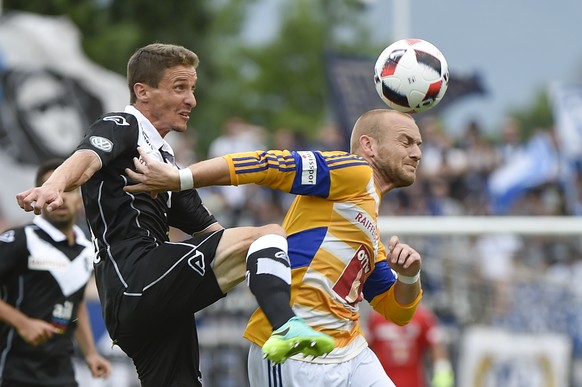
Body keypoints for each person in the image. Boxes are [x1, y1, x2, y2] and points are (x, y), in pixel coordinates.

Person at [15, 43, 334, 387]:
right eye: (180, 87)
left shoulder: (166, 168)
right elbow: (87, 157)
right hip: (135, 280)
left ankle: (287, 320)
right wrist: (55, 185)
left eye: (192, 89)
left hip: (149, 305)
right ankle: (286, 325)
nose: (191, 101)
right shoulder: (123, 125)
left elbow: (218, 236)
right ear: (143, 92)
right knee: (267, 232)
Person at [122, 108, 424, 386]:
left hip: (351, 352)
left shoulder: (369, 224)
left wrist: (410, 275)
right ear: (369, 146)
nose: (417, 153)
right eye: (406, 142)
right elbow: (269, 164)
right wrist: (181, 178)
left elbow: (396, 310)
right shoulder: (354, 171)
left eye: (419, 144)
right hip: (297, 352)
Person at [0, 158, 112, 386]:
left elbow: (75, 301)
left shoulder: (87, 249)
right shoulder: (19, 239)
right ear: (37, 195)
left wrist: (90, 353)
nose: (58, 197)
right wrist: (23, 323)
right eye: (49, 188)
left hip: (61, 370)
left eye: (68, 189)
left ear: (80, 197)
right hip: (13, 368)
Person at [367, 304, 455, 387]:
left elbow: (435, 344)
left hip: (413, 381)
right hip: (383, 382)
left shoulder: (421, 315)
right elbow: (365, 347)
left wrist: (441, 368)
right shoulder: (376, 317)